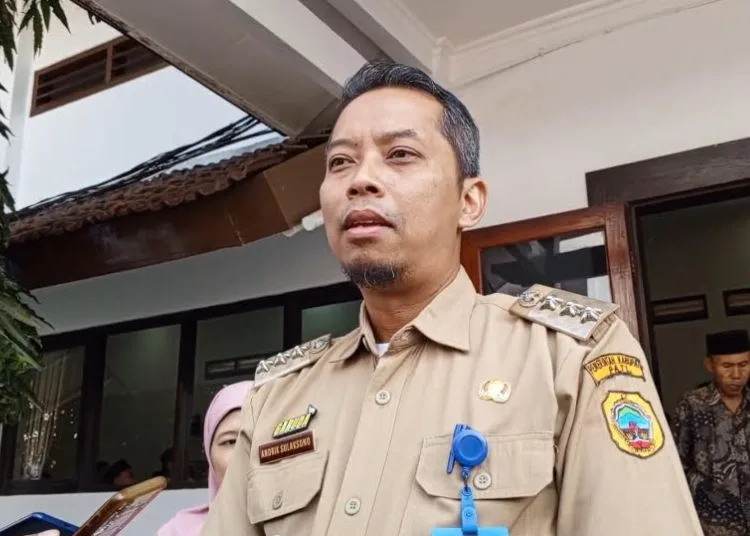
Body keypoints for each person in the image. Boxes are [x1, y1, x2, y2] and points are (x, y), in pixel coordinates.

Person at [201, 61, 702, 535]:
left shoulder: (568, 358)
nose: (360, 180)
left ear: (469, 201)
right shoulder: (277, 396)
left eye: (400, 154)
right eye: (340, 162)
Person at [672, 329, 750, 536]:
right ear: (710, 365)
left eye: (743, 365)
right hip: (713, 524)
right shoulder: (693, 405)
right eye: (727, 366)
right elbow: (677, 465)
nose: (736, 375)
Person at [158, 381, 253, 536]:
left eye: (259, 438)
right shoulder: (178, 532)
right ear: (209, 453)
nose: (246, 454)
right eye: (230, 441)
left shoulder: (297, 526)